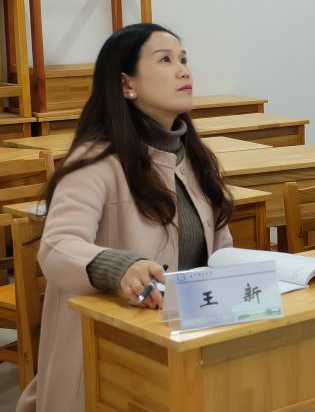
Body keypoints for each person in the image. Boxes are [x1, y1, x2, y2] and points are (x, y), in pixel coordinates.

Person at [17, 24, 234, 412]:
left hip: (185, 344)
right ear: (126, 83)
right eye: (165, 60)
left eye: (183, 59)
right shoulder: (96, 161)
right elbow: (57, 247)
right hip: (109, 355)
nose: (183, 70)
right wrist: (118, 268)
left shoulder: (197, 162)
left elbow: (221, 252)